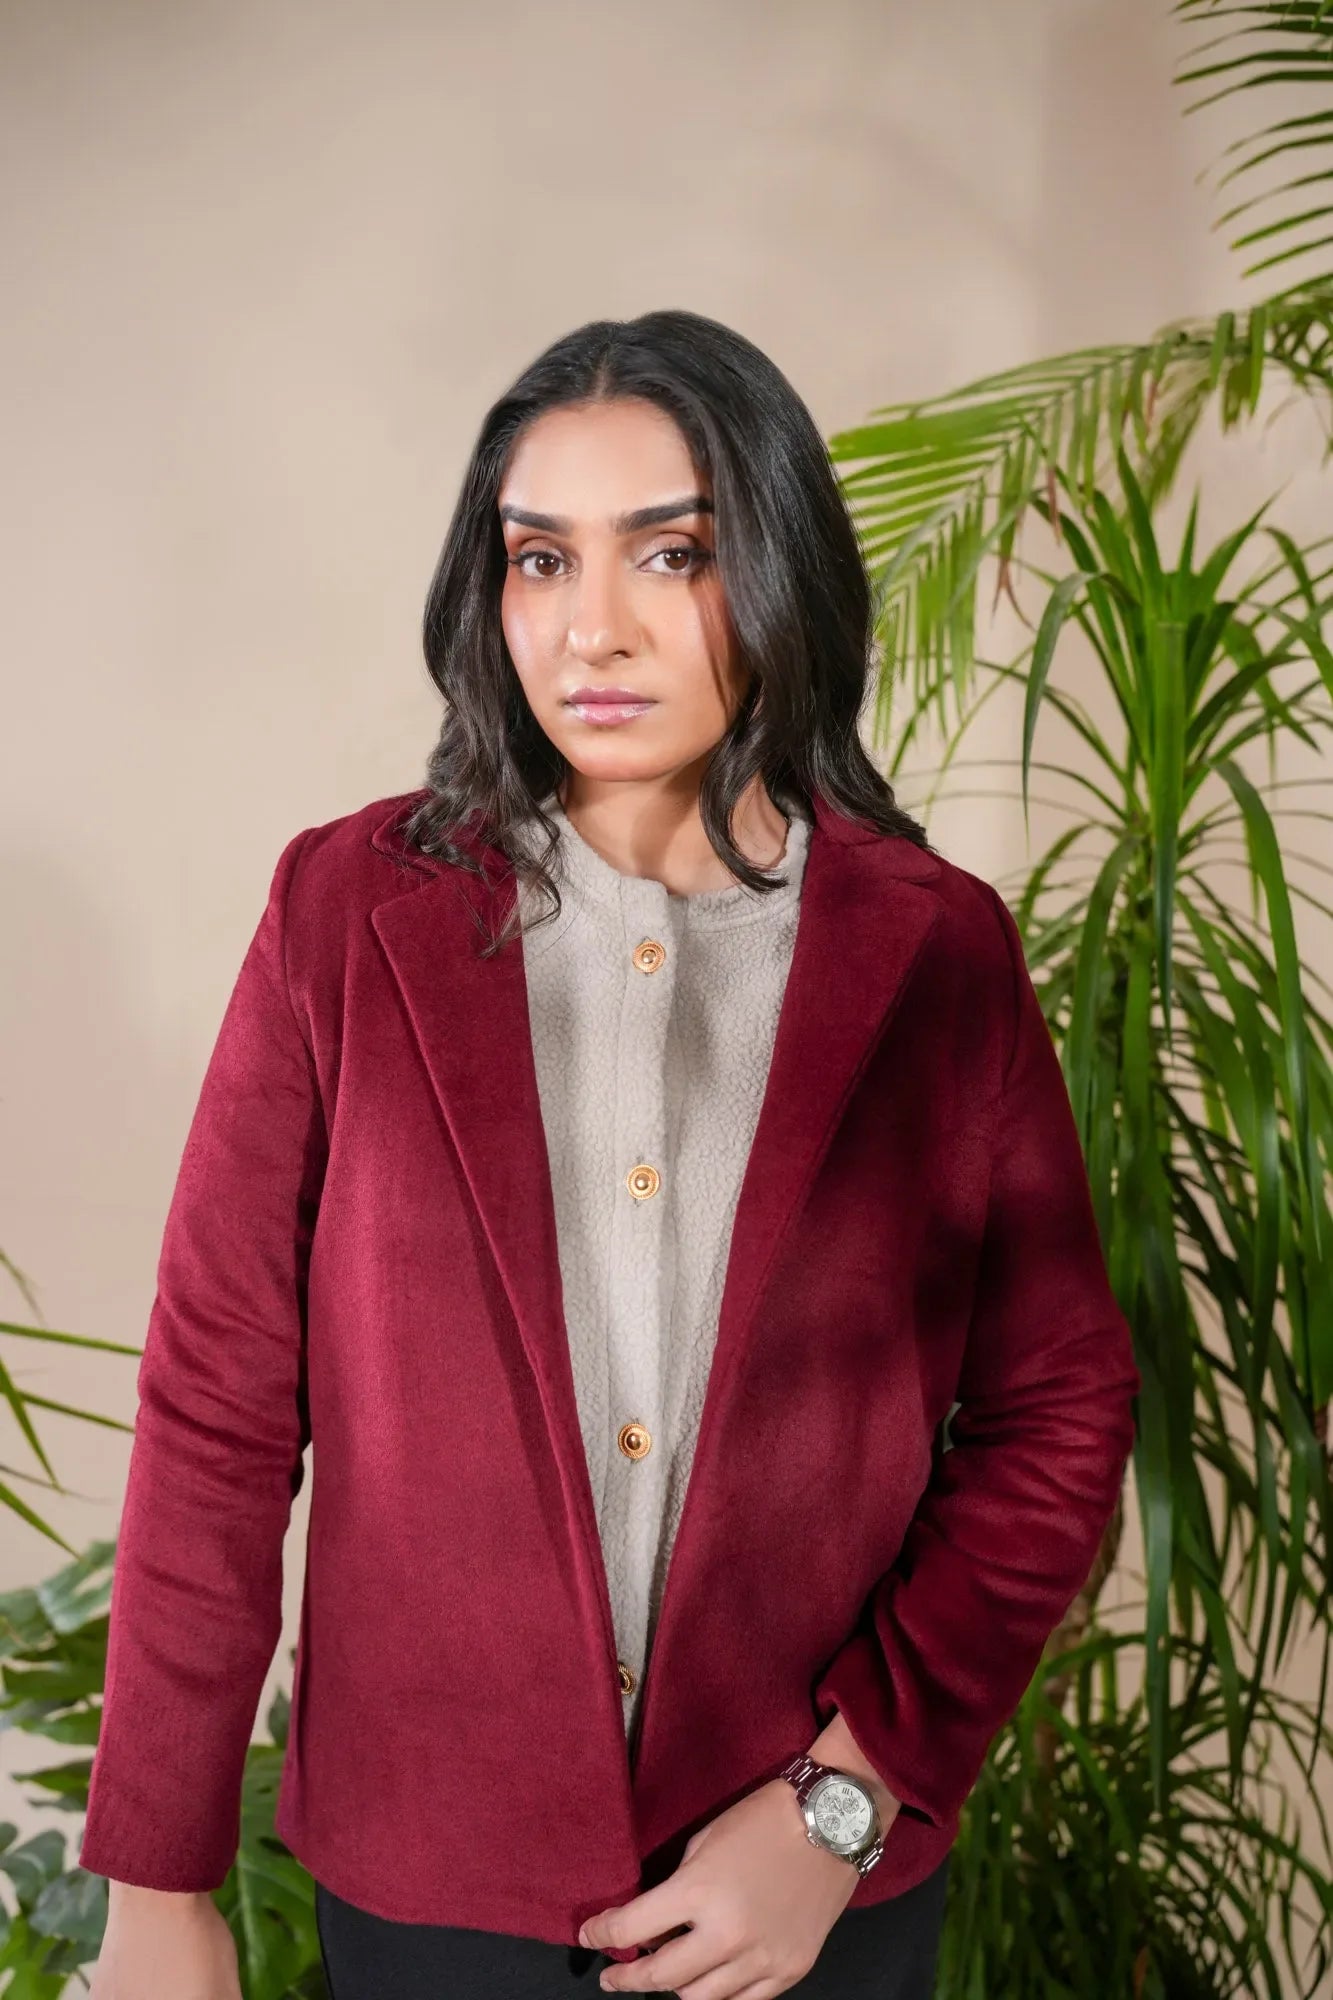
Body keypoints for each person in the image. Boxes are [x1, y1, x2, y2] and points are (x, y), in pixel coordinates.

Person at [82, 309, 1140, 1999]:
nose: (593, 627)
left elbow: (1059, 1409)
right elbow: (218, 1407)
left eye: (671, 553)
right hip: (430, 1891)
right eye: (539, 559)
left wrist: (844, 1802)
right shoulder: (344, 916)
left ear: (778, 570)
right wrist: (157, 1889)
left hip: (802, 1908)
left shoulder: (936, 955)